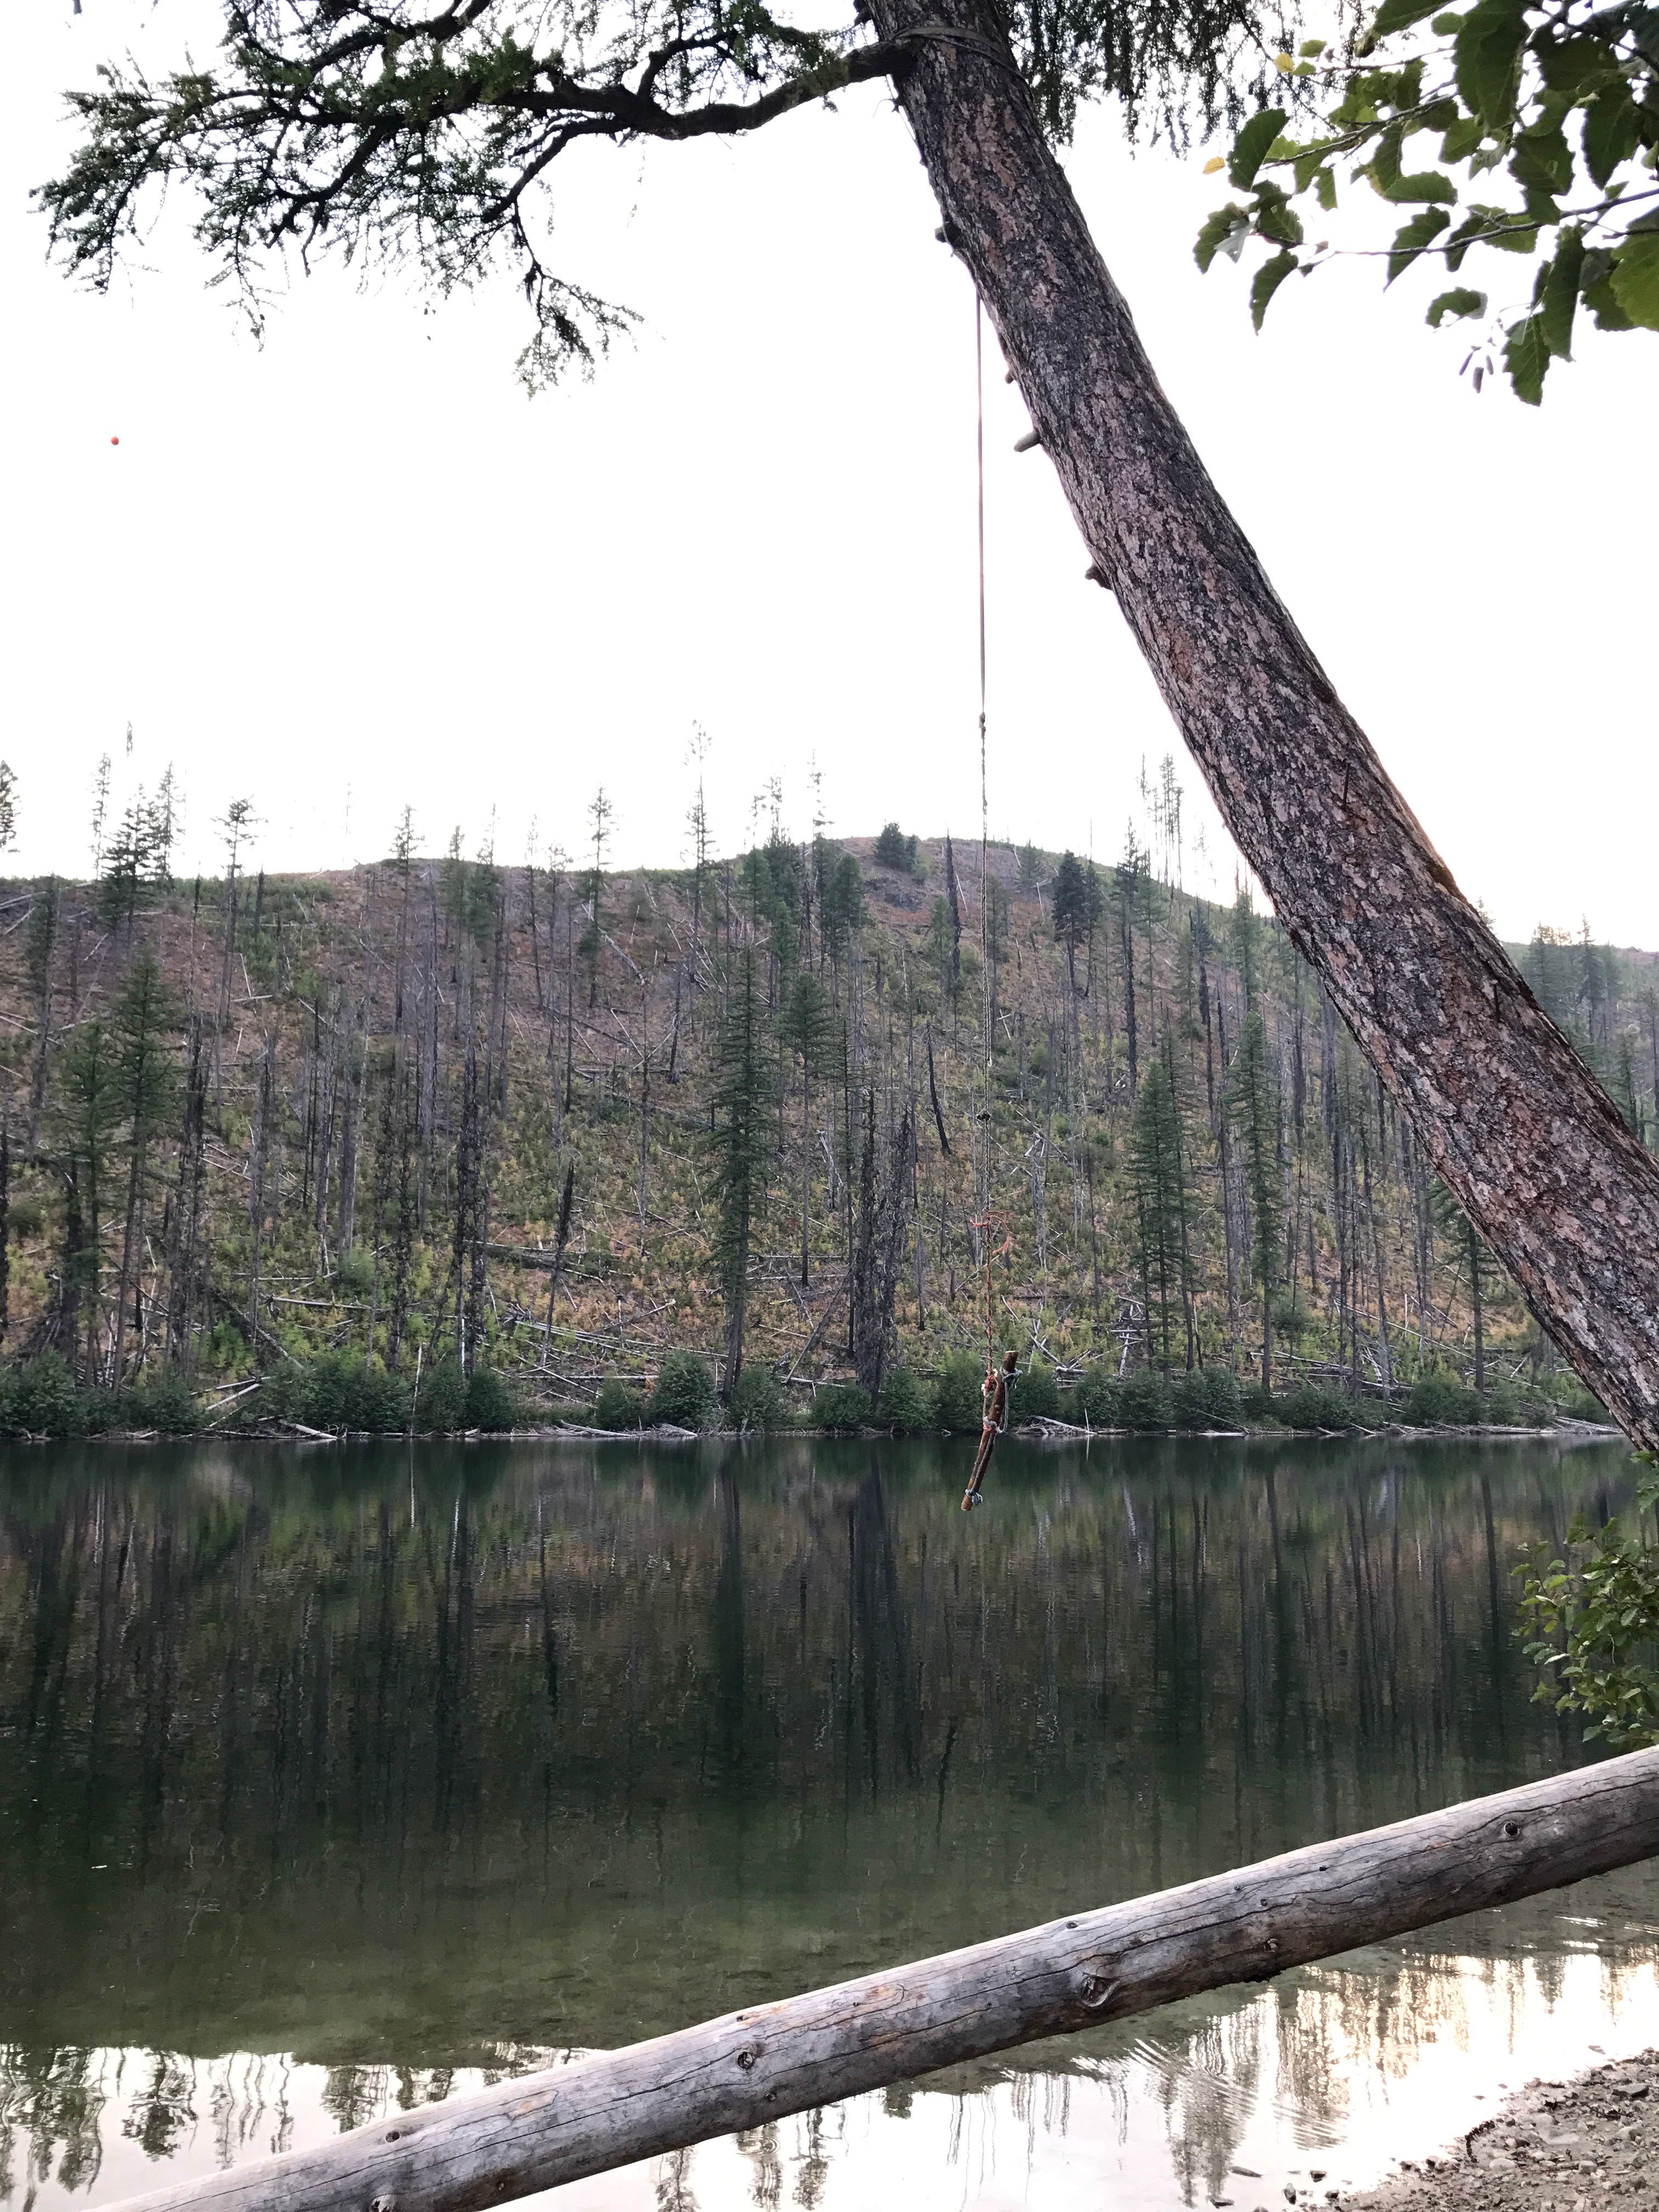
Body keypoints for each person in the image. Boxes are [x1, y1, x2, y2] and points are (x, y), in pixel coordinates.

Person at [962, 1349, 1019, 1510]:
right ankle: (970, 1495)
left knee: (990, 1435)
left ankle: (970, 1495)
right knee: (989, 1434)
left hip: (992, 1424)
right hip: (991, 1425)